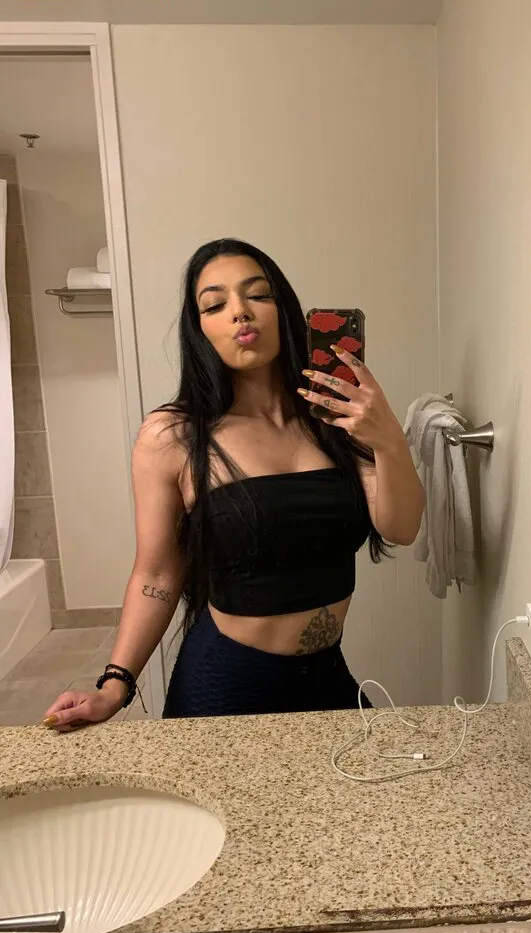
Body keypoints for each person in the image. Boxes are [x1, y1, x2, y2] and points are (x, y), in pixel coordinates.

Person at [42, 238, 425, 731]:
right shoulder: (175, 436)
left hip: (327, 677)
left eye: (258, 295)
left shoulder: (335, 421)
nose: (240, 312)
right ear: (200, 329)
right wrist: (114, 685)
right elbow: (157, 573)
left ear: (285, 311)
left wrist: (388, 439)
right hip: (224, 687)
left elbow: (402, 528)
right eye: (215, 305)